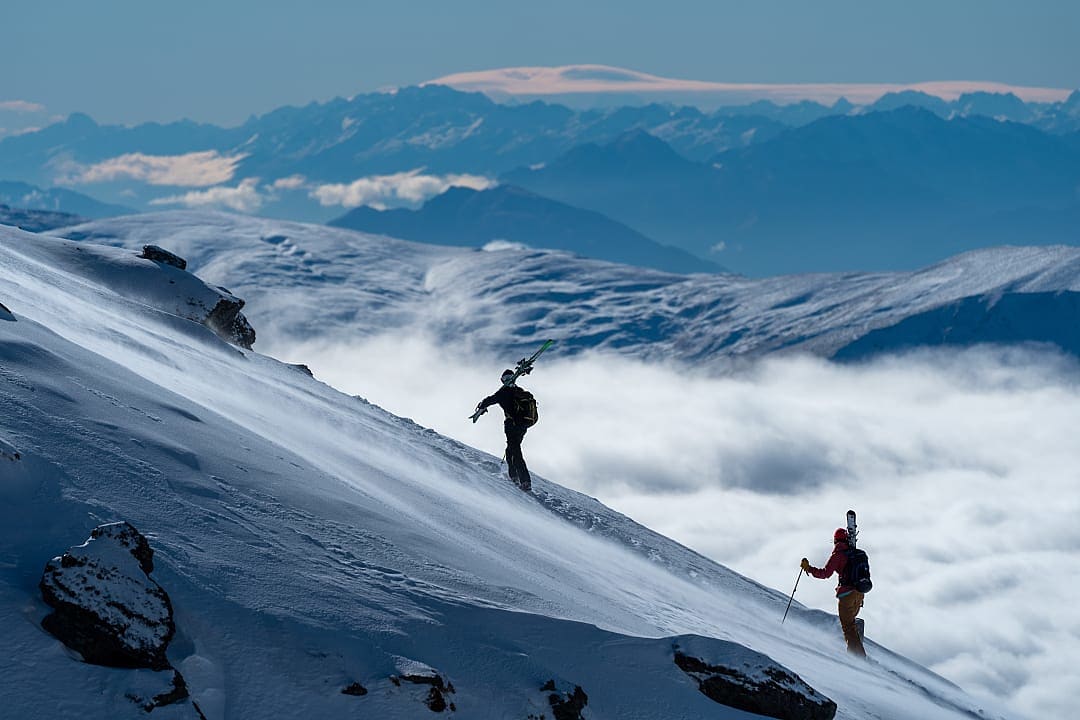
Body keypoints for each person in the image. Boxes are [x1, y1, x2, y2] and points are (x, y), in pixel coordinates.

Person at [802, 528, 867, 657]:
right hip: (860, 593)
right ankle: (856, 652)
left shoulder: (837, 555)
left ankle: (858, 658)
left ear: (835, 540)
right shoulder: (856, 553)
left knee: (848, 627)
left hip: (846, 595)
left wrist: (808, 568)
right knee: (852, 624)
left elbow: (825, 574)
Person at [475, 370, 535, 491]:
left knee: (515, 451)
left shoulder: (503, 393)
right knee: (511, 450)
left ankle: (523, 480)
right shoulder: (519, 391)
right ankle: (515, 476)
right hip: (522, 425)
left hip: (511, 425)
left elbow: (489, 400)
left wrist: (481, 407)